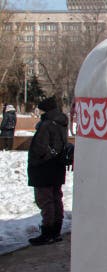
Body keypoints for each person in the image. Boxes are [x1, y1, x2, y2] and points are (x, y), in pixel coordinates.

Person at [27, 96, 68, 245]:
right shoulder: (62, 122)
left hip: (43, 168)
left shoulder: (46, 125)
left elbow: (40, 148)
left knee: (45, 200)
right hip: (57, 167)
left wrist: (36, 161)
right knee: (56, 198)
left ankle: (47, 232)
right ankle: (56, 231)